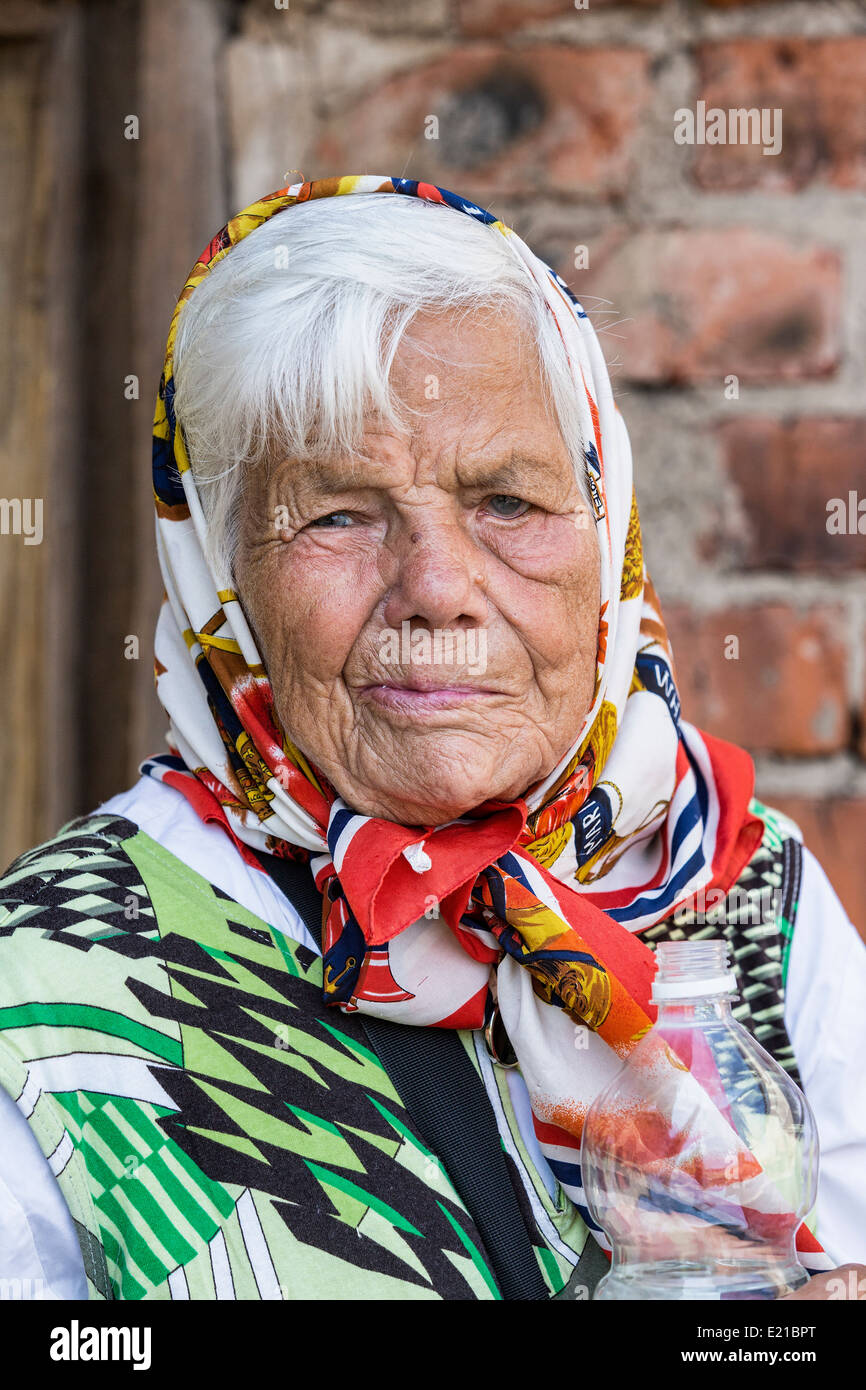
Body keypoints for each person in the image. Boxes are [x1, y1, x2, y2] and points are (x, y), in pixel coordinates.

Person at [0, 176, 864, 1302]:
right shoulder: (51, 981)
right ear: (222, 574)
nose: (438, 587)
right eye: (339, 512)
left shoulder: (745, 886)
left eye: (506, 500)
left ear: (603, 533)